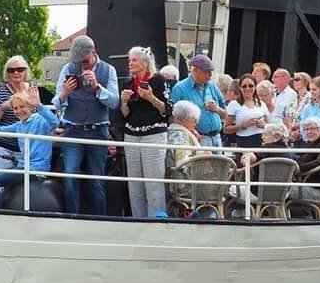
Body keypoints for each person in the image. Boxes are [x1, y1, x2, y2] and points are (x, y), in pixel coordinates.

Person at [52, 34, 120, 216]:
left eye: (85, 61)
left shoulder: (108, 70)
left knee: (97, 180)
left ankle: (99, 220)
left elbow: (114, 102)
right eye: (78, 61)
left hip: (98, 130)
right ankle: (72, 218)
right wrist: (65, 93)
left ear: (94, 53)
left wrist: (97, 86)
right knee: (70, 175)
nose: (82, 65)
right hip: (73, 130)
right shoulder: (68, 68)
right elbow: (56, 103)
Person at [0, 90, 61, 209]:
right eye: (15, 108)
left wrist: (39, 105)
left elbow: (55, 122)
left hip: (36, 170)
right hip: (21, 167)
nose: (18, 111)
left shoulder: (40, 120)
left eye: (22, 106)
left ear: (30, 106)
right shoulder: (19, 125)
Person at [120, 45, 170, 218]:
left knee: (153, 184)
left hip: (153, 135)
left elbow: (167, 110)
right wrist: (124, 102)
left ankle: (155, 223)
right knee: (135, 185)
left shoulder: (158, 81)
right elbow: (125, 115)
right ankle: (138, 222)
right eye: (129, 60)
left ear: (145, 63)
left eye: (133, 60)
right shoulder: (128, 84)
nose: (130, 63)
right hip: (132, 135)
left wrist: (151, 98)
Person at [168, 54, 227, 147]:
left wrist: (217, 109)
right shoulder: (179, 89)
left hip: (217, 138)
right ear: (195, 70)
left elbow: (225, 113)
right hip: (196, 138)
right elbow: (172, 116)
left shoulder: (212, 86)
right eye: (207, 72)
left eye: (211, 71)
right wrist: (190, 132)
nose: (211, 75)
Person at [0, 55, 32, 169]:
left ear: (25, 72)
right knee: (1, 181)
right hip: (2, 145)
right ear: (7, 73)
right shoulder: (1, 91)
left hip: (25, 146)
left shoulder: (32, 90)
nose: (16, 72)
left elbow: (39, 115)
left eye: (20, 69)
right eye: (11, 70)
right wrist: (3, 107)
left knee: (22, 183)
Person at [165, 99, 205, 209]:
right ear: (183, 120)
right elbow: (182, 161)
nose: (197, 123)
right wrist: (203, 155)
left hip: (184, 180)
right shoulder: (179, 135)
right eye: (194, 120)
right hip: (186, 185)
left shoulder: (175, 131)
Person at [292, 116, 320, 202]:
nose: (309, 132)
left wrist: (299, 168)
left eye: (312, 129)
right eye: (306, 129)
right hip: (308, 184)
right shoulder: (311, 143)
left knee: (281, 189)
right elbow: (299, 157)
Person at [225, 74, 268, 156]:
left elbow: (268, 126)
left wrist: (263, 125)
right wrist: (243, 125)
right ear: (240, 88)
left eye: (251, 86)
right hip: (243, 142)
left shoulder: (261, 104)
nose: (247, 88)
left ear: (255, 87)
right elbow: (226, 129)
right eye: (244, 86)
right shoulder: (234, 104)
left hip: (260, 141)